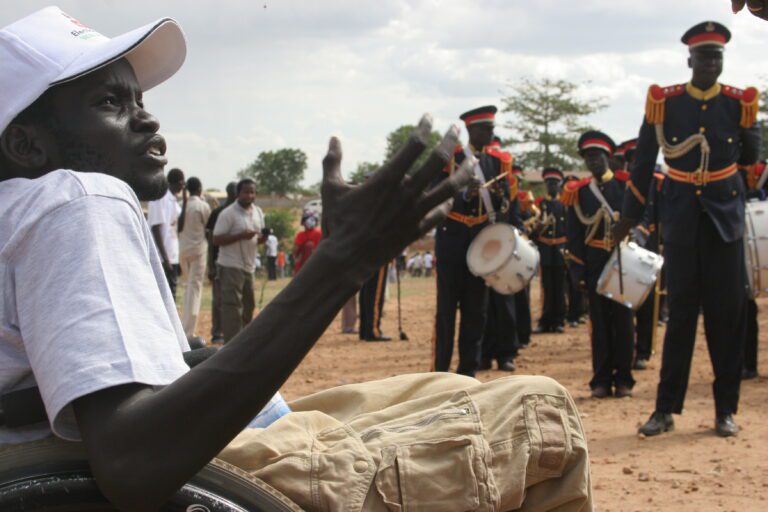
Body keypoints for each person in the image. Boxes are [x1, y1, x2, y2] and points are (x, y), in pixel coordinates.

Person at [0, 8, 593, 511]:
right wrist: (341, 262)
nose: (148, 117)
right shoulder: (77, 198)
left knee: (442, 390)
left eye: (140, 98)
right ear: (27, 144)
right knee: (538, 407)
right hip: (130, 472)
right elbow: (131, 462)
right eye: (110, 102)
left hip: (84, 445)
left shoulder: (22, 209)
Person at [614, 21, 760, 438]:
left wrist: (750, 131)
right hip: (680, 222)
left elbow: (750, 157)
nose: (711, 63)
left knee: (725, 319)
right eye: (704, 56)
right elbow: (643, 162)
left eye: (717, 56)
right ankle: (665, 410)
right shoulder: (666, 103)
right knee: (679, 318)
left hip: (725, 224)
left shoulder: (738, 104)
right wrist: (630, 215)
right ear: (689, 59)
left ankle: (724, 411)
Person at [433, 106, 515, 377]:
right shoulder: (452, 160)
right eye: (485, 129)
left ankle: (467, 372)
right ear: (471, 130)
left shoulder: (497, 163)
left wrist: (502, 197)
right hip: (452, 241)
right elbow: (436, 196)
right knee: (446, 312)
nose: (490, 134)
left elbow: (505, 206)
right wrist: (464, 196)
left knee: (476, 312)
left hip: (481, 245)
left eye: (491, 129)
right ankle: (439, 371)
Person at [564, 131, 635, 399]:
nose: (593, 161)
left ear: (608, 157)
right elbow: (574, 235)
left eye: (597, 156)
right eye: (588, 157)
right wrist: (577, 271)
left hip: (621, 260)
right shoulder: (578, 193)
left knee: (624, 323)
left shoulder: (625, 187)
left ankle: (624, 379)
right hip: (594, 262)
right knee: (600, 325)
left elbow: (639, 220)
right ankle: (601, 380)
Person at [213, 178, 265, 342]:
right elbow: (216, 239)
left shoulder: (258, 212)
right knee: (232, 307)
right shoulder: (228, 213)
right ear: (238, 193)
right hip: (230, 265)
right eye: (246, 192)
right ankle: (232, 344)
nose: (249, 195)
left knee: (249, 306)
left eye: (252, 192)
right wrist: (241, 236)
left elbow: (258, 237)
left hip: (249, 266)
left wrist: (263, 238)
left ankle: (244, 341)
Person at [534, 167, 568, 334]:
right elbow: (533, 229)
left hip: (560, 249)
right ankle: (545, 320)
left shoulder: (565, 204)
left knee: (560, 287)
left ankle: (559, 320)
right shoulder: (540, 204)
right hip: (545, 248)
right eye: (549, 183)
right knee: (546, 286)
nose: (552, 186)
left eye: (555, 183)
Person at [177, 176, 211, 337]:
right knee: (195, 289)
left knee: (188, 288)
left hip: (183, 250)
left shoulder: (181, 205)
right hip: (198, 250)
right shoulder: (202, 206)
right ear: (199, 189)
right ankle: (188, 331)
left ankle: (184, 326)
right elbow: (209, 226)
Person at [206, 181, 237, 343]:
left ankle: (231, 331)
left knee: (233, 299)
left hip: (235, 262)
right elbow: (210, 240)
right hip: (218, 261)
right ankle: (217, 332)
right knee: (218, 299)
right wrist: (210, 265)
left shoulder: (240, 212)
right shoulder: (218, 212)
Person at [148, 167, 184, 297]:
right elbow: (156, 228)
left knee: (171, 294)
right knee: (163, 295)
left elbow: (178, 227)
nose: (183, 186)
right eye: (181, 183)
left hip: (172, 254)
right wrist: (165, 259)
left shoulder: (174, 200)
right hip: (162, 257)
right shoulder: (160, 197)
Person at [358, 263, 390, 341]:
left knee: (366, 287)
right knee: (376, 291)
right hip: (379, 256)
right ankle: (373, 330)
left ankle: (365, 330)